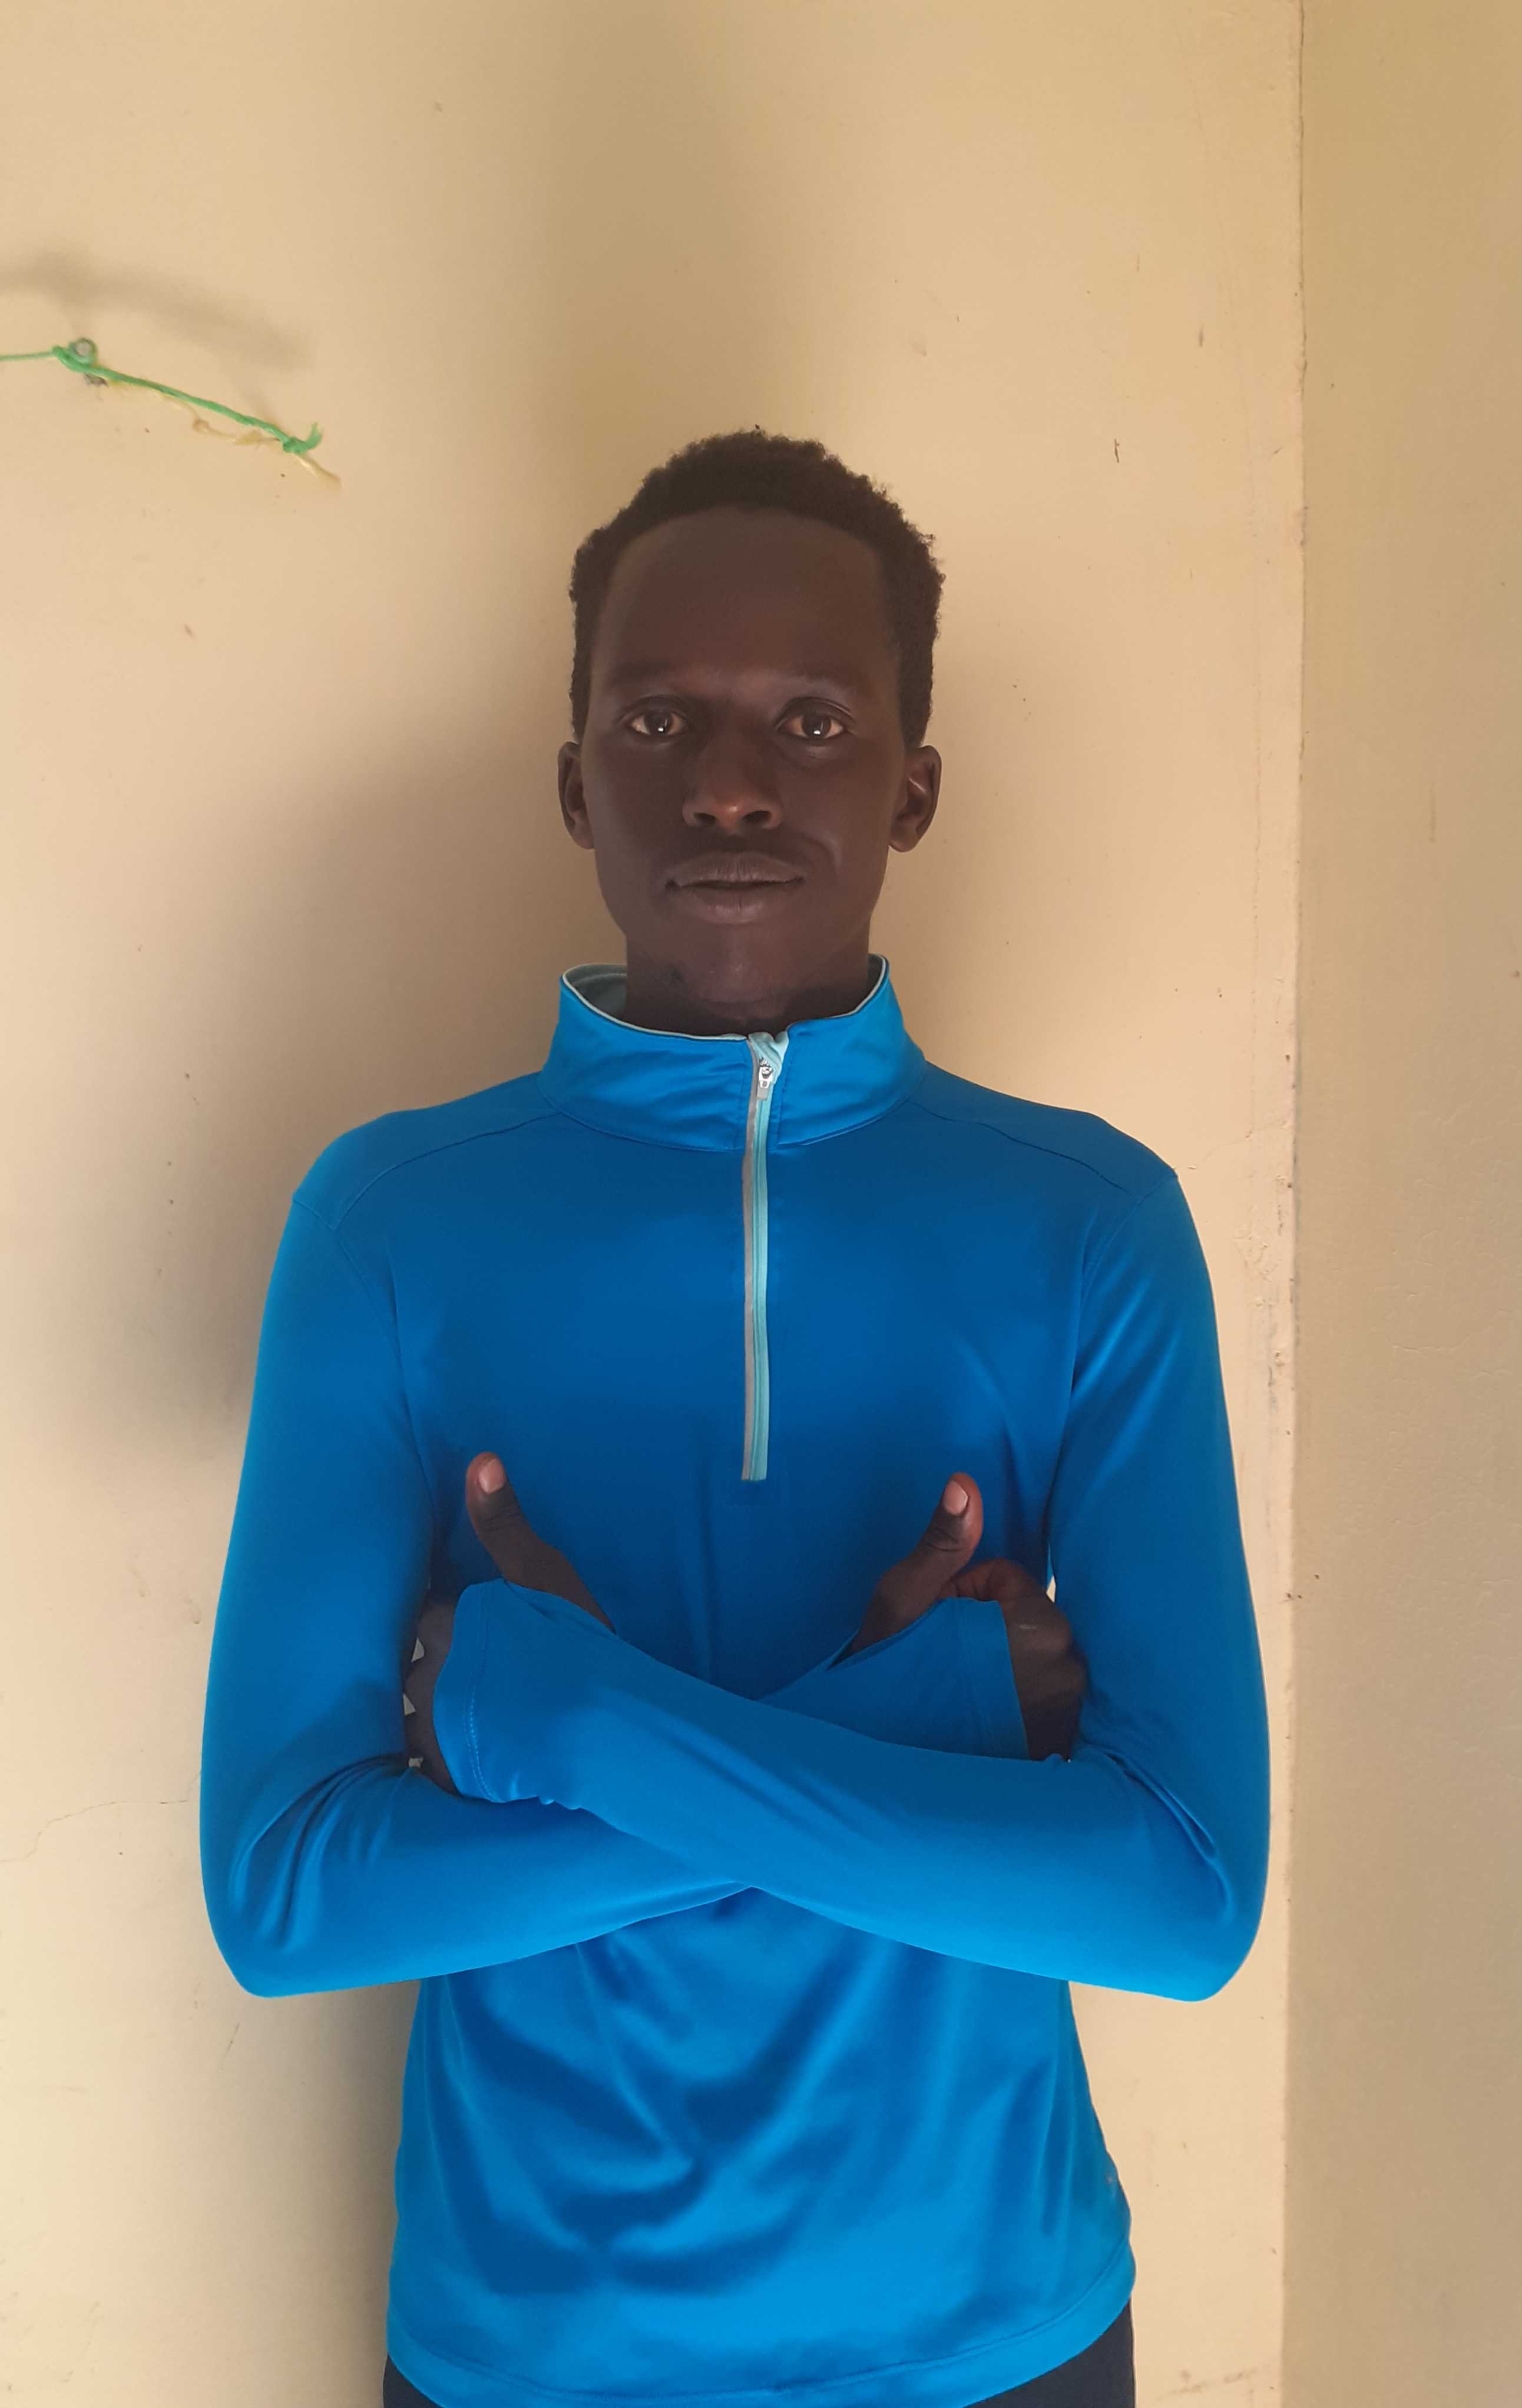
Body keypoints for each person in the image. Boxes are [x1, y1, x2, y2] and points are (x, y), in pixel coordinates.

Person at [198, 430, 1270, 2408]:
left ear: (914, 783)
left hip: (1000, 2335)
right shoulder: (393, 1221)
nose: (728, 782)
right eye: (658, 717)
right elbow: (285, 1897)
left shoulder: (1087, 1225)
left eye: (813, 720)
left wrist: (565, 1721)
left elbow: (1186, 1899)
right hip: (533, 2348)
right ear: (574, 779)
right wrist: (925, 1718)